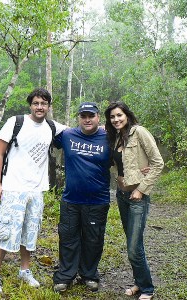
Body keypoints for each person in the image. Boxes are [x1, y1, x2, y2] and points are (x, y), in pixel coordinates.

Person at [0, 88, 66, 295]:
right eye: (36, 103)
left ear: (49, 106)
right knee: (5, 231)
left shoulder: (52, 126)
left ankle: (25, 270)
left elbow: (78, 132)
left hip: (36, 190)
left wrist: (102, 128)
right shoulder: (15, 122)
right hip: (14, 187)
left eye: (44, 103)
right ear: (30, 105)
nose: (40, 107)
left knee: (30, 233)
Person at [104, 101, 164, 300]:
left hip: (137, 197)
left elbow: (157, 163)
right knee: (133, 243)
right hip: (121, 196)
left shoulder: (139, 132)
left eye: (119, 115)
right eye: (112, 117)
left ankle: (147, 289)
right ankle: (140, 283)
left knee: (133, 247)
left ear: (127, 115)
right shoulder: (115, 138)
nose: (116, 119)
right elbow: (120, 166)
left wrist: (141, 189)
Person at [52, 102, 111, 293]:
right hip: (71, 199)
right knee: (68, 238)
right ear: (79, 118)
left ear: (98, 117)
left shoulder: (109, 136)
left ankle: (89, 274)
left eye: (91, 116)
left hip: (98, 200)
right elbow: (43, 132)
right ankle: (65, 276)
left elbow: (129, 148)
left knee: (93, 240)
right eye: (83, 116)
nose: (87, 119)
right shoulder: (68, 135)